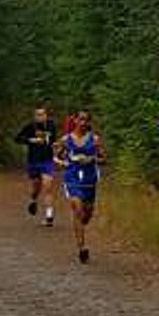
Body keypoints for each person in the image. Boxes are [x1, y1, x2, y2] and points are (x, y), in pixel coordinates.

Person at [54, 108, 106, 263]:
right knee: (77, 208)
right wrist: (63, 162)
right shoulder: (65, 140)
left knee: (87, 213)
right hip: (72, 177)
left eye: (86, 120)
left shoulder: (94, 139)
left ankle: (80, 225)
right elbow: (55, 158)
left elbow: (104, 159)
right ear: (74, 120)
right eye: (80, 119)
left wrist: (92, 159)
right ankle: (82, 247)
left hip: (89, 179)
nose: (83, 122)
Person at [14, 104, 58, 223]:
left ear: (46, 115)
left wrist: (56, 155)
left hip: (47, 160)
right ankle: (33, 199)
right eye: (38, 115)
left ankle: (49, 215)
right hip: (33, 161)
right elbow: (17, 138)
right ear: (35, 116)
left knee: (48, 186)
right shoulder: (30, 127)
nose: (40, 117)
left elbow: (54, 142)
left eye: (42, 114)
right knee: (36, 186)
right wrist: (30, 140)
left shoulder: (51, 126)